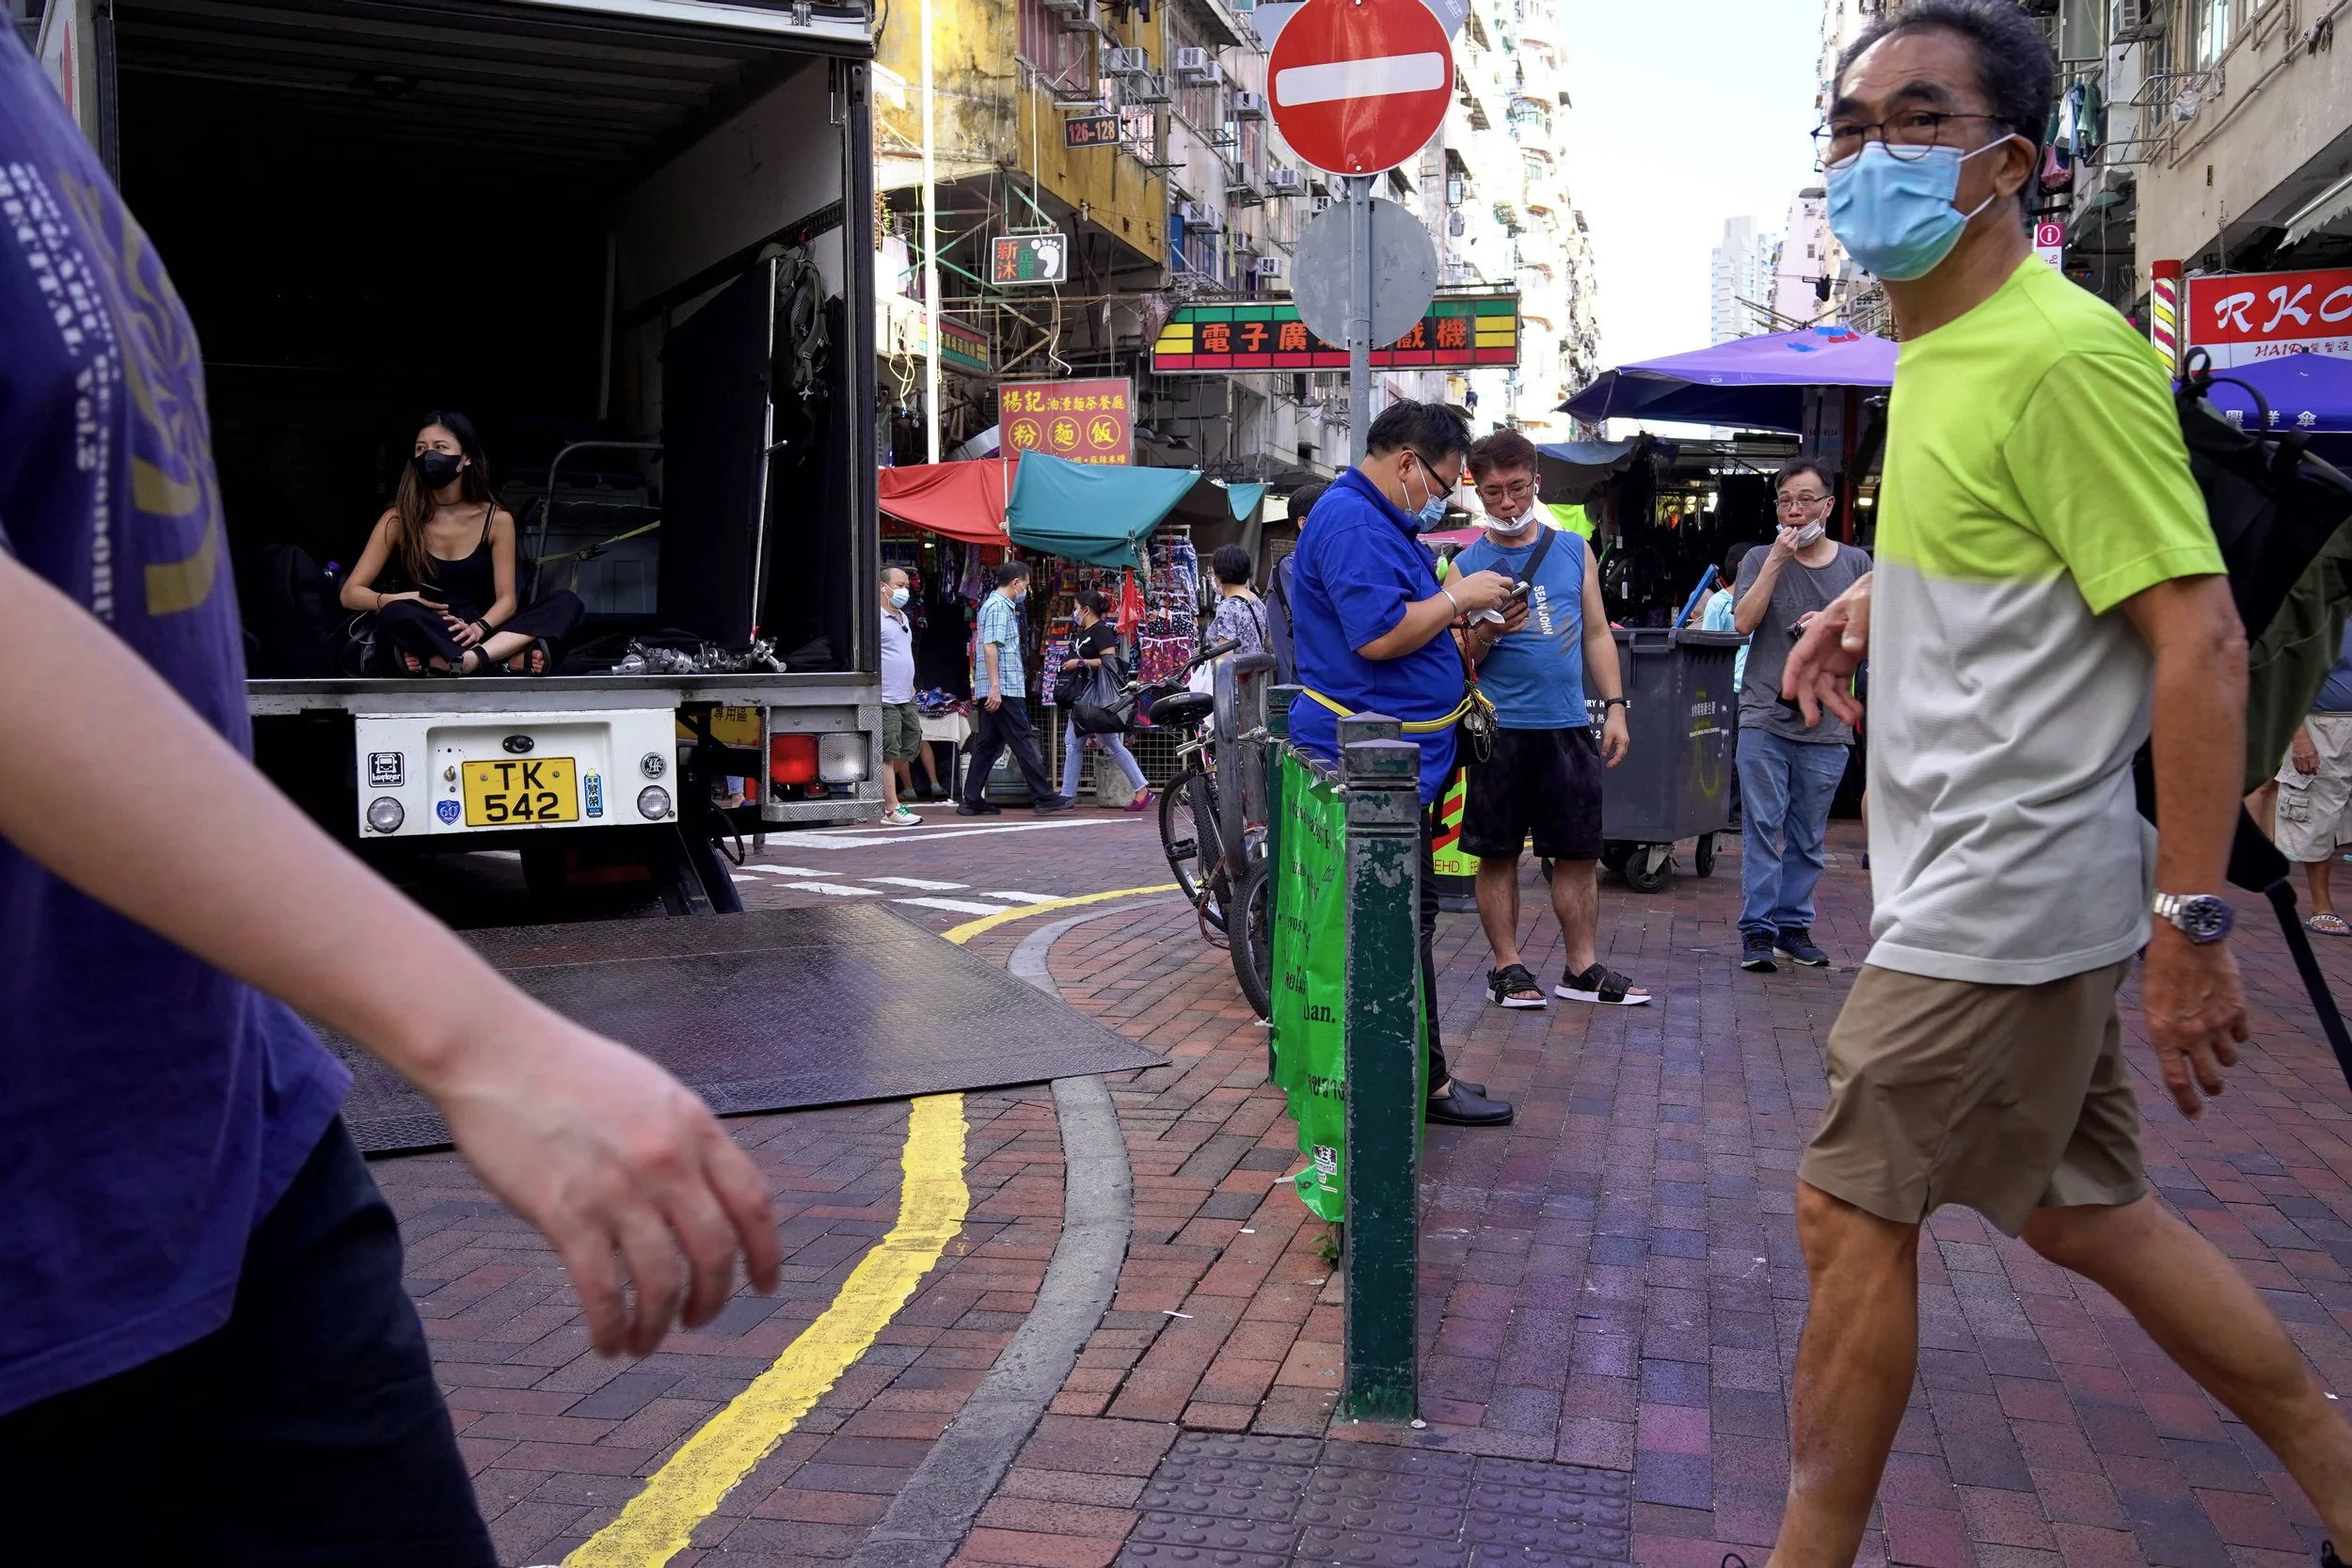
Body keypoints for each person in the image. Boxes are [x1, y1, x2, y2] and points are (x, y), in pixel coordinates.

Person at [0, 35, 779, 1560]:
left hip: (240, 1153)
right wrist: (471, 1030)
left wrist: (494, 626)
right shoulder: (394, 515)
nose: (437, 464)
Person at [1767, 5, 2352, 1562]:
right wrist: (1868, 597)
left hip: (2008, 886)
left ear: (2009, 163)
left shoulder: (2058, 351)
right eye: (1846, 124)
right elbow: (2024, 553)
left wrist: (2197, 919)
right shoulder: (1940, 348)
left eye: (1913, 120)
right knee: (2086, 1211)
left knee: (1848, 1209)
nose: (1864, 154)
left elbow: (2201, 638)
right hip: (1988, 875)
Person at [1287, 400, 1517, 1128]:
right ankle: (1411, 1083)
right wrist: (1458, 596)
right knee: (1391, 925)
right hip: (1369, 767)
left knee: (1403, 921)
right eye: (1445, 482)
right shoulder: (1354, 519)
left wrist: (1460, 617)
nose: (1444, 497)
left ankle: (1423, 1075)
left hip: (1395, 760)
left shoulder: (1377, 519)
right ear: (1409, 463)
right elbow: (1379, 635)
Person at [1451, 429, 1646, 1009]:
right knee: (1498, 852)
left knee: (1579, 851)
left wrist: (1615, 706)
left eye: (1515, 488)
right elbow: (1454, 659)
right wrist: (1485, 631)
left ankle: (1581, 968)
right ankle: (1508, 968)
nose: (1506, 503)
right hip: (1498, 731)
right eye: (1492, 494)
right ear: (1478, 493)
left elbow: (1595, 633)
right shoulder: (1465, 566)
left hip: (1566, 725)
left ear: (1535, 481)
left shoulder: (1573, 550)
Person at [1731, 459, 1870, 974]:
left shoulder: (1857, 566)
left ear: (1829, 506)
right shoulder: (1759, 558)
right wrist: (1773, 563)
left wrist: (1830, 628)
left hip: (1827, 725)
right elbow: (1742, 624)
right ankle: (1758, 932)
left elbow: (1875, 640)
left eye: (1806, 500)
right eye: (1786, 500)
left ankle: (1794, 926)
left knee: (1809, 835)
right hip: (1764, 714)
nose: (1795, 511)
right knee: (1763, 828)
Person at [339, 414, 584, 676]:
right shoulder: (398, 519)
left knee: (565, 602)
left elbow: (507, 601)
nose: (429, 455)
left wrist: (479, 627)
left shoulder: (497, 519)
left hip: (480, 629)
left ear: (466, 458)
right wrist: (399, 598)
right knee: (396, 614)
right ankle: (499, 659)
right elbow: (350, 594)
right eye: (421, 448)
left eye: (440, 447)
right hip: (427, 621)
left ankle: (460, 660)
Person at [961, 561, 1073, 816]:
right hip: (1005, 689)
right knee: (1023, 739)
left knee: (989, 743)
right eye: (1027, 584)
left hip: (997, 688)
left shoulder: (994, 605)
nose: (1026, 590)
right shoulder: (999, 607)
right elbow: (991, 646)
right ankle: (1043, 796)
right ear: (1016, 583)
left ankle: (970, 798)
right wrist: (996, 688)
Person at [2273, 626, 2352, 936]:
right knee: (2317, 814)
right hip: (2323, 725)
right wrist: (2300, 738)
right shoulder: (2323, 619)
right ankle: (2322, 907)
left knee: (2341, 818)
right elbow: (2290, 682)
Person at [1057, 590, 1152, 812]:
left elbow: (1109, 663)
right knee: (1073, 743)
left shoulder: (1101, 632)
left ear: (1086, 609)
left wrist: (1079, 663)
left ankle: (1142, 788)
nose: (1074, 611)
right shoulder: (1083, 632)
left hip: (1098, 700)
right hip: (1084, 699)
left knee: (1110, 744)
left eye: (1075, 606)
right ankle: (1066, 794)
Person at [878, 567, 923, 826]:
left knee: (911, 742)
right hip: (885, 695)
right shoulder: (875, 619)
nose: (904, 589)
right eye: (899, 584)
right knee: (889, 750)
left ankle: (877, 787)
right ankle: (891, 808)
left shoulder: (903, 617)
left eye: (906, 584)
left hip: (905, 694)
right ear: (883, 587)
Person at [1208, 544, 1268, 660]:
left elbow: (1225, 656)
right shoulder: (1257, 601)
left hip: (1235, 676)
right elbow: (1267, 641)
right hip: (1255, 674)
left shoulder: (1227, 607)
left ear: (1220, 575)